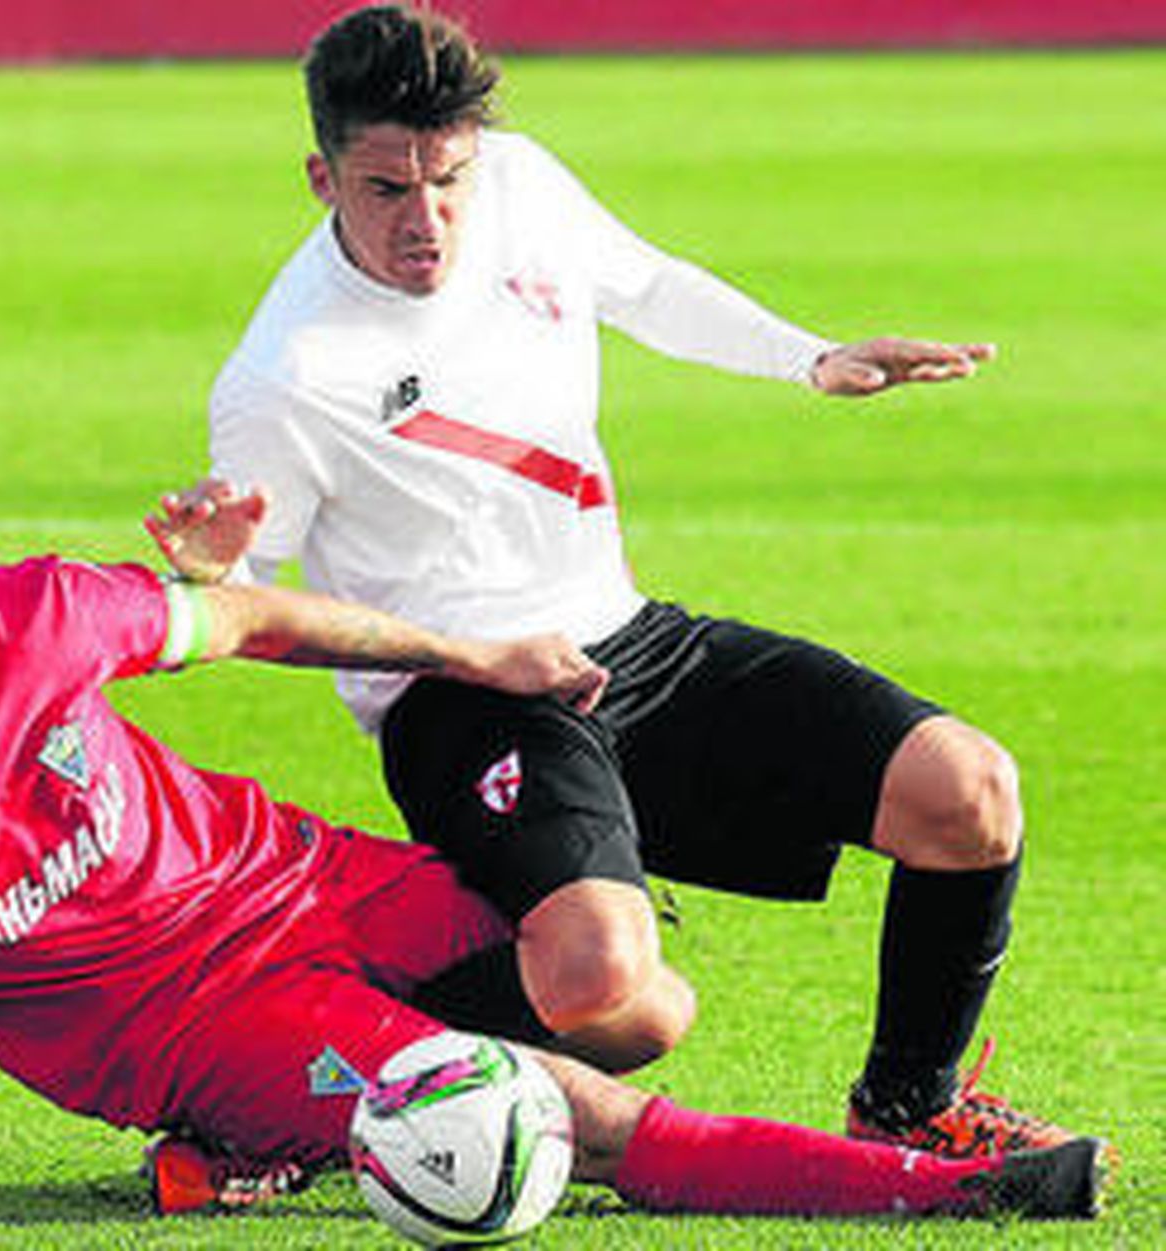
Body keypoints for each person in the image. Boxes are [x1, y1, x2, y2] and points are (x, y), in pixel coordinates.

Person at [0, 468, 1106, 1240]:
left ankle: (259, 1154)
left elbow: (252, 618)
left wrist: (475, 656)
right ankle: (945, 1189)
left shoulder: (48, 614)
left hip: (291, 875)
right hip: (183, 1018)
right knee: (562, 1112)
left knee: (634, 1001)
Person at [149, 1, 1080, 1162]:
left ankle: (908, 1103)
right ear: (319, 177)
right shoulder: (288, 376)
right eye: (386, 189)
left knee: (968, 792)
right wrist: (218, 563)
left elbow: (644, 286)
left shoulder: (526, 185)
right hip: (464, 701)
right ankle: (279, 1098)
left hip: (628, 643)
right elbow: (254, 608)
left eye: (448, 180)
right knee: (606, 989)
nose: (427, 220)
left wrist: (809, 356)